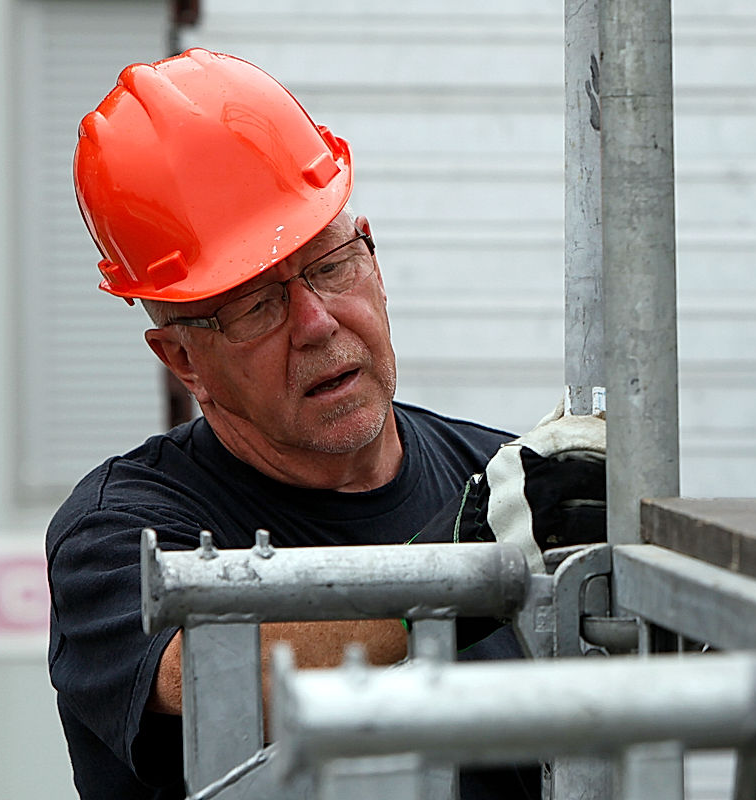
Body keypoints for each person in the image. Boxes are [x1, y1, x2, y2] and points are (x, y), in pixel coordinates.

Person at [46, 48, 604, 800]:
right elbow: (205, 674)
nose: (314, 322)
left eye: (331, 264)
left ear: (371, 254)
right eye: (256, 305)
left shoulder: (500, 483)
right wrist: (463, 568)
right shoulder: (122, 531)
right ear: (182, 359)